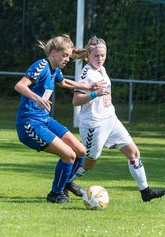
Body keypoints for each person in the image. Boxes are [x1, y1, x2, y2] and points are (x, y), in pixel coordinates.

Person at [70, 36, 165, 202]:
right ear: (88, 55)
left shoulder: (102, 69)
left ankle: (145, 191)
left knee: (134, 153)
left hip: (111, 120)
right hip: (94, 124)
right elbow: (76, 101)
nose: (100, 59)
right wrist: (94, 94)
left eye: (103, 55)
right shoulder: (86, 74)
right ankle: (66, 181)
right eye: (96, 56)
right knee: (90, 162)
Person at [14, 34, 101, 204]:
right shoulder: (41, 65)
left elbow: (65, 83)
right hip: (29, 123)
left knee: (81, 151)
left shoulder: (55, 70)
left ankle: (66, 182)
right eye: (65, 55)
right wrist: (37, 98)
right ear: (53, 52)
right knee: (68, 155)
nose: (67, 59)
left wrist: (87, 86)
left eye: (69, 56)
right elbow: (20, 85)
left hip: (44, 119)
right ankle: (56, 193)